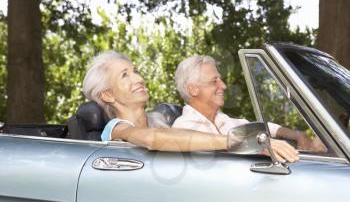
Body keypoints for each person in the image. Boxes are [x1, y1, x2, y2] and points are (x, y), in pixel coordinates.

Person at [82, 51, 299, 162]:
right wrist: (236, 141)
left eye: (135, 71)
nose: (138, 78)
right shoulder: (117, 127)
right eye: (125, 75)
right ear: (108, 95)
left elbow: (190, 139)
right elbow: (152, 139)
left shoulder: (159, 120)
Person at [172, 55, 325, 160]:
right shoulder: (183, 128)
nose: (223, 86)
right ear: (193, 89)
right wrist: (259, 145)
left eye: (221, 80)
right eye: (214, 81)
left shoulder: (224, 121)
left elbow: (264, 128)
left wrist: (297, 135)